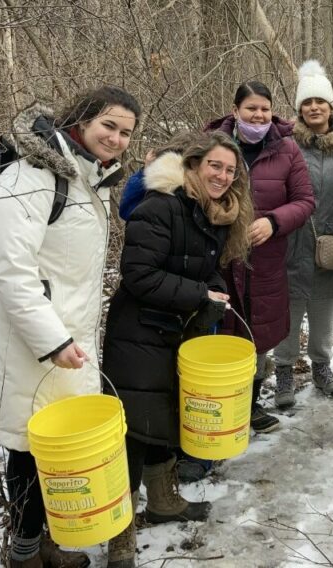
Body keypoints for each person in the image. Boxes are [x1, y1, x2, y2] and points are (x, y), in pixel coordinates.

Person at [0, 86, 141, 568]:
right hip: (28, 342)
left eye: (125, 132)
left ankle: (42, 544)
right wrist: (52, 341)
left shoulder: (87, 177)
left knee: (47, 446)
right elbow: (10, 271)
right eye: (108, 126)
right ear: (80, 121)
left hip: (65, 337)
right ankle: (26, 553)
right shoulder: (31, 176)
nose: (116, 139)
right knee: (28, 443)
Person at [101, 131, 253, 567]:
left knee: (166, 419)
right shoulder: (162, 205)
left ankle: (165, 502)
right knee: (134, 432)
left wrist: (215, 292)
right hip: (140, 334)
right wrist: (198, 296)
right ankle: (120, 540)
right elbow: (138, 275)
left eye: (230, 170)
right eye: (214, 166)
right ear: (192, 165)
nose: (222, 176)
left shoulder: (213, 213)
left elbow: (209, 270)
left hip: (179, 331)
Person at [205, 81, 315, 432]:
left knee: (257, 337)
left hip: (264, 262)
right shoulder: (213, 144)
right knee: (219, 337)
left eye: (265, 109)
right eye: (251, 108)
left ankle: (249, 409)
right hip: (218, 259)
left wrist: (274, 221)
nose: (259, 115)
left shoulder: (287, 149)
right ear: (235, 110)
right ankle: (218, 414)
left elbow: (305, 201)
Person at [272, 60, 333, 408]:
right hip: (290, 244)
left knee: (324, 314)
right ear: (299, 108)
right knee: (289, 313)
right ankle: (283, 370)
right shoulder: (284, 145)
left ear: (331, 107)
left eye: (320, 102)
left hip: (332, 246)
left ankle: (322, 367)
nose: (314, 108)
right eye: (307, 103)